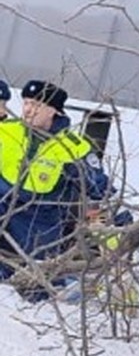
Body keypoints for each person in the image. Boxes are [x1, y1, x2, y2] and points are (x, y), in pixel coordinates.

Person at [0, 80, 111, 280]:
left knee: (37, 289)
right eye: (26, 103)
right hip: (3, 206)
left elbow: (97, 191)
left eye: (37, 105)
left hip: (38, 223)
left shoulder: (73, 147)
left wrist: (106, 236)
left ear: (53, 111)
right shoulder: (6, 130)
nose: (29, 110)